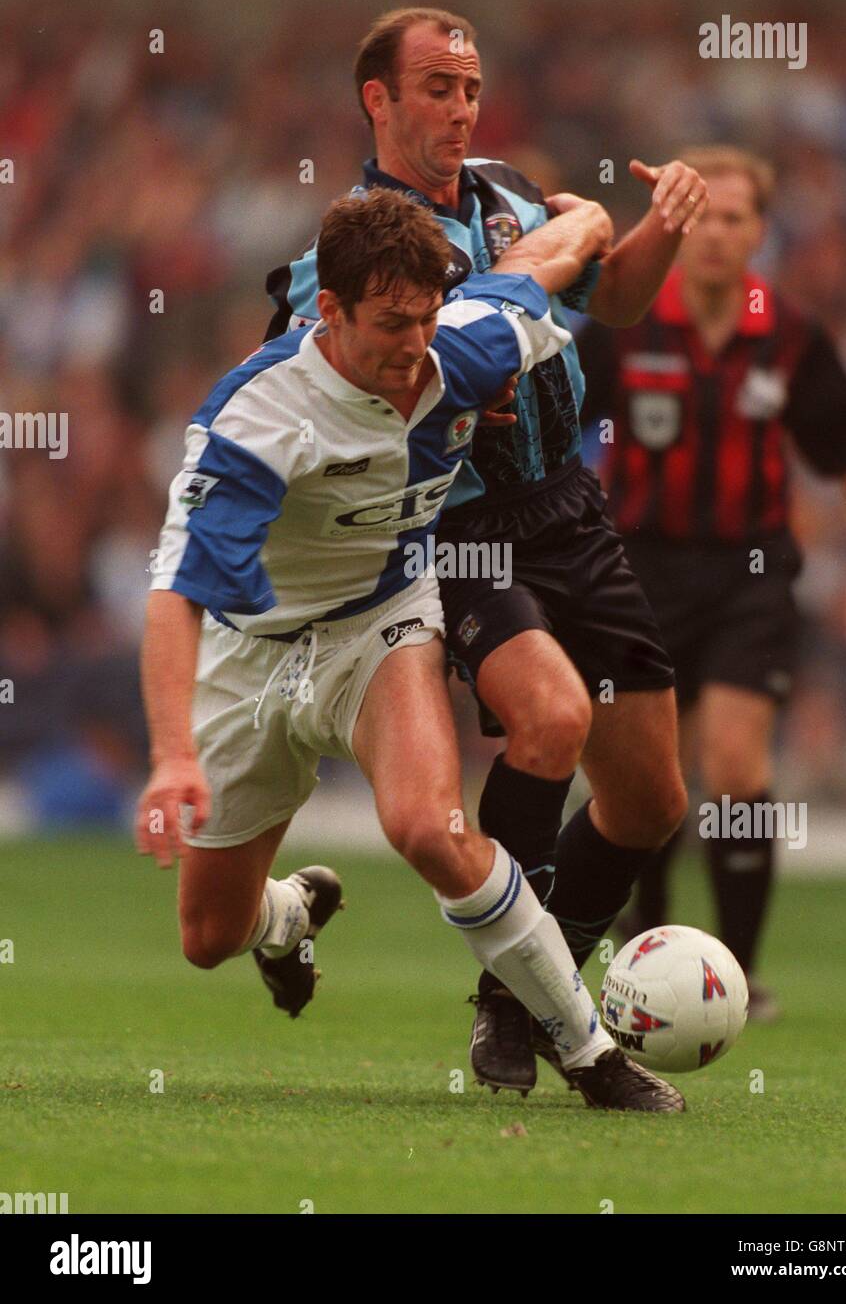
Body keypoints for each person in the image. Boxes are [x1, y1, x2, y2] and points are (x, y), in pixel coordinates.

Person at [136, 185, 686, 1113]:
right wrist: (171, 758)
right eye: (391, 322)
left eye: (427, 317)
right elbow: (174, 597)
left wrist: (594, 216)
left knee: (431, 829)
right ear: (330, 311)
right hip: (252, 652)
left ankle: (590, 1052)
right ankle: (290, 914)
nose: (414, 344)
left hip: (379, 624)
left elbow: (545, 266)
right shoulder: (256, 422)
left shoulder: (465, 342)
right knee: (207, 936)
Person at [265, 6, 709, 1095]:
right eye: (435, 89)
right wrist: (425, 387)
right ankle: (521, 1014)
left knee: (651, 799)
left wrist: (663, 226)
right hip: (455, 529)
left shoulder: (514, 196)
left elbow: (618, 295)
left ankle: (531, 987)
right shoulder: (350, 241)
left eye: (469, 88)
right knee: (549, 717)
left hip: (567, 508)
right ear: (378, 100)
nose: (460, 109)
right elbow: (310, 378)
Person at [576, 146, 846, 1018]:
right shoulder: (625, 321)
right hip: (632, 572)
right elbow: (553, 426)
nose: (716, 233)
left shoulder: (788, 336)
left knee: (733, 762)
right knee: (649, 779)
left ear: (759, 231)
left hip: (750, 575)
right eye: (702, 216)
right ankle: (648, 944)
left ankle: (738, 972)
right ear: (678, 225)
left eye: (734, 218)